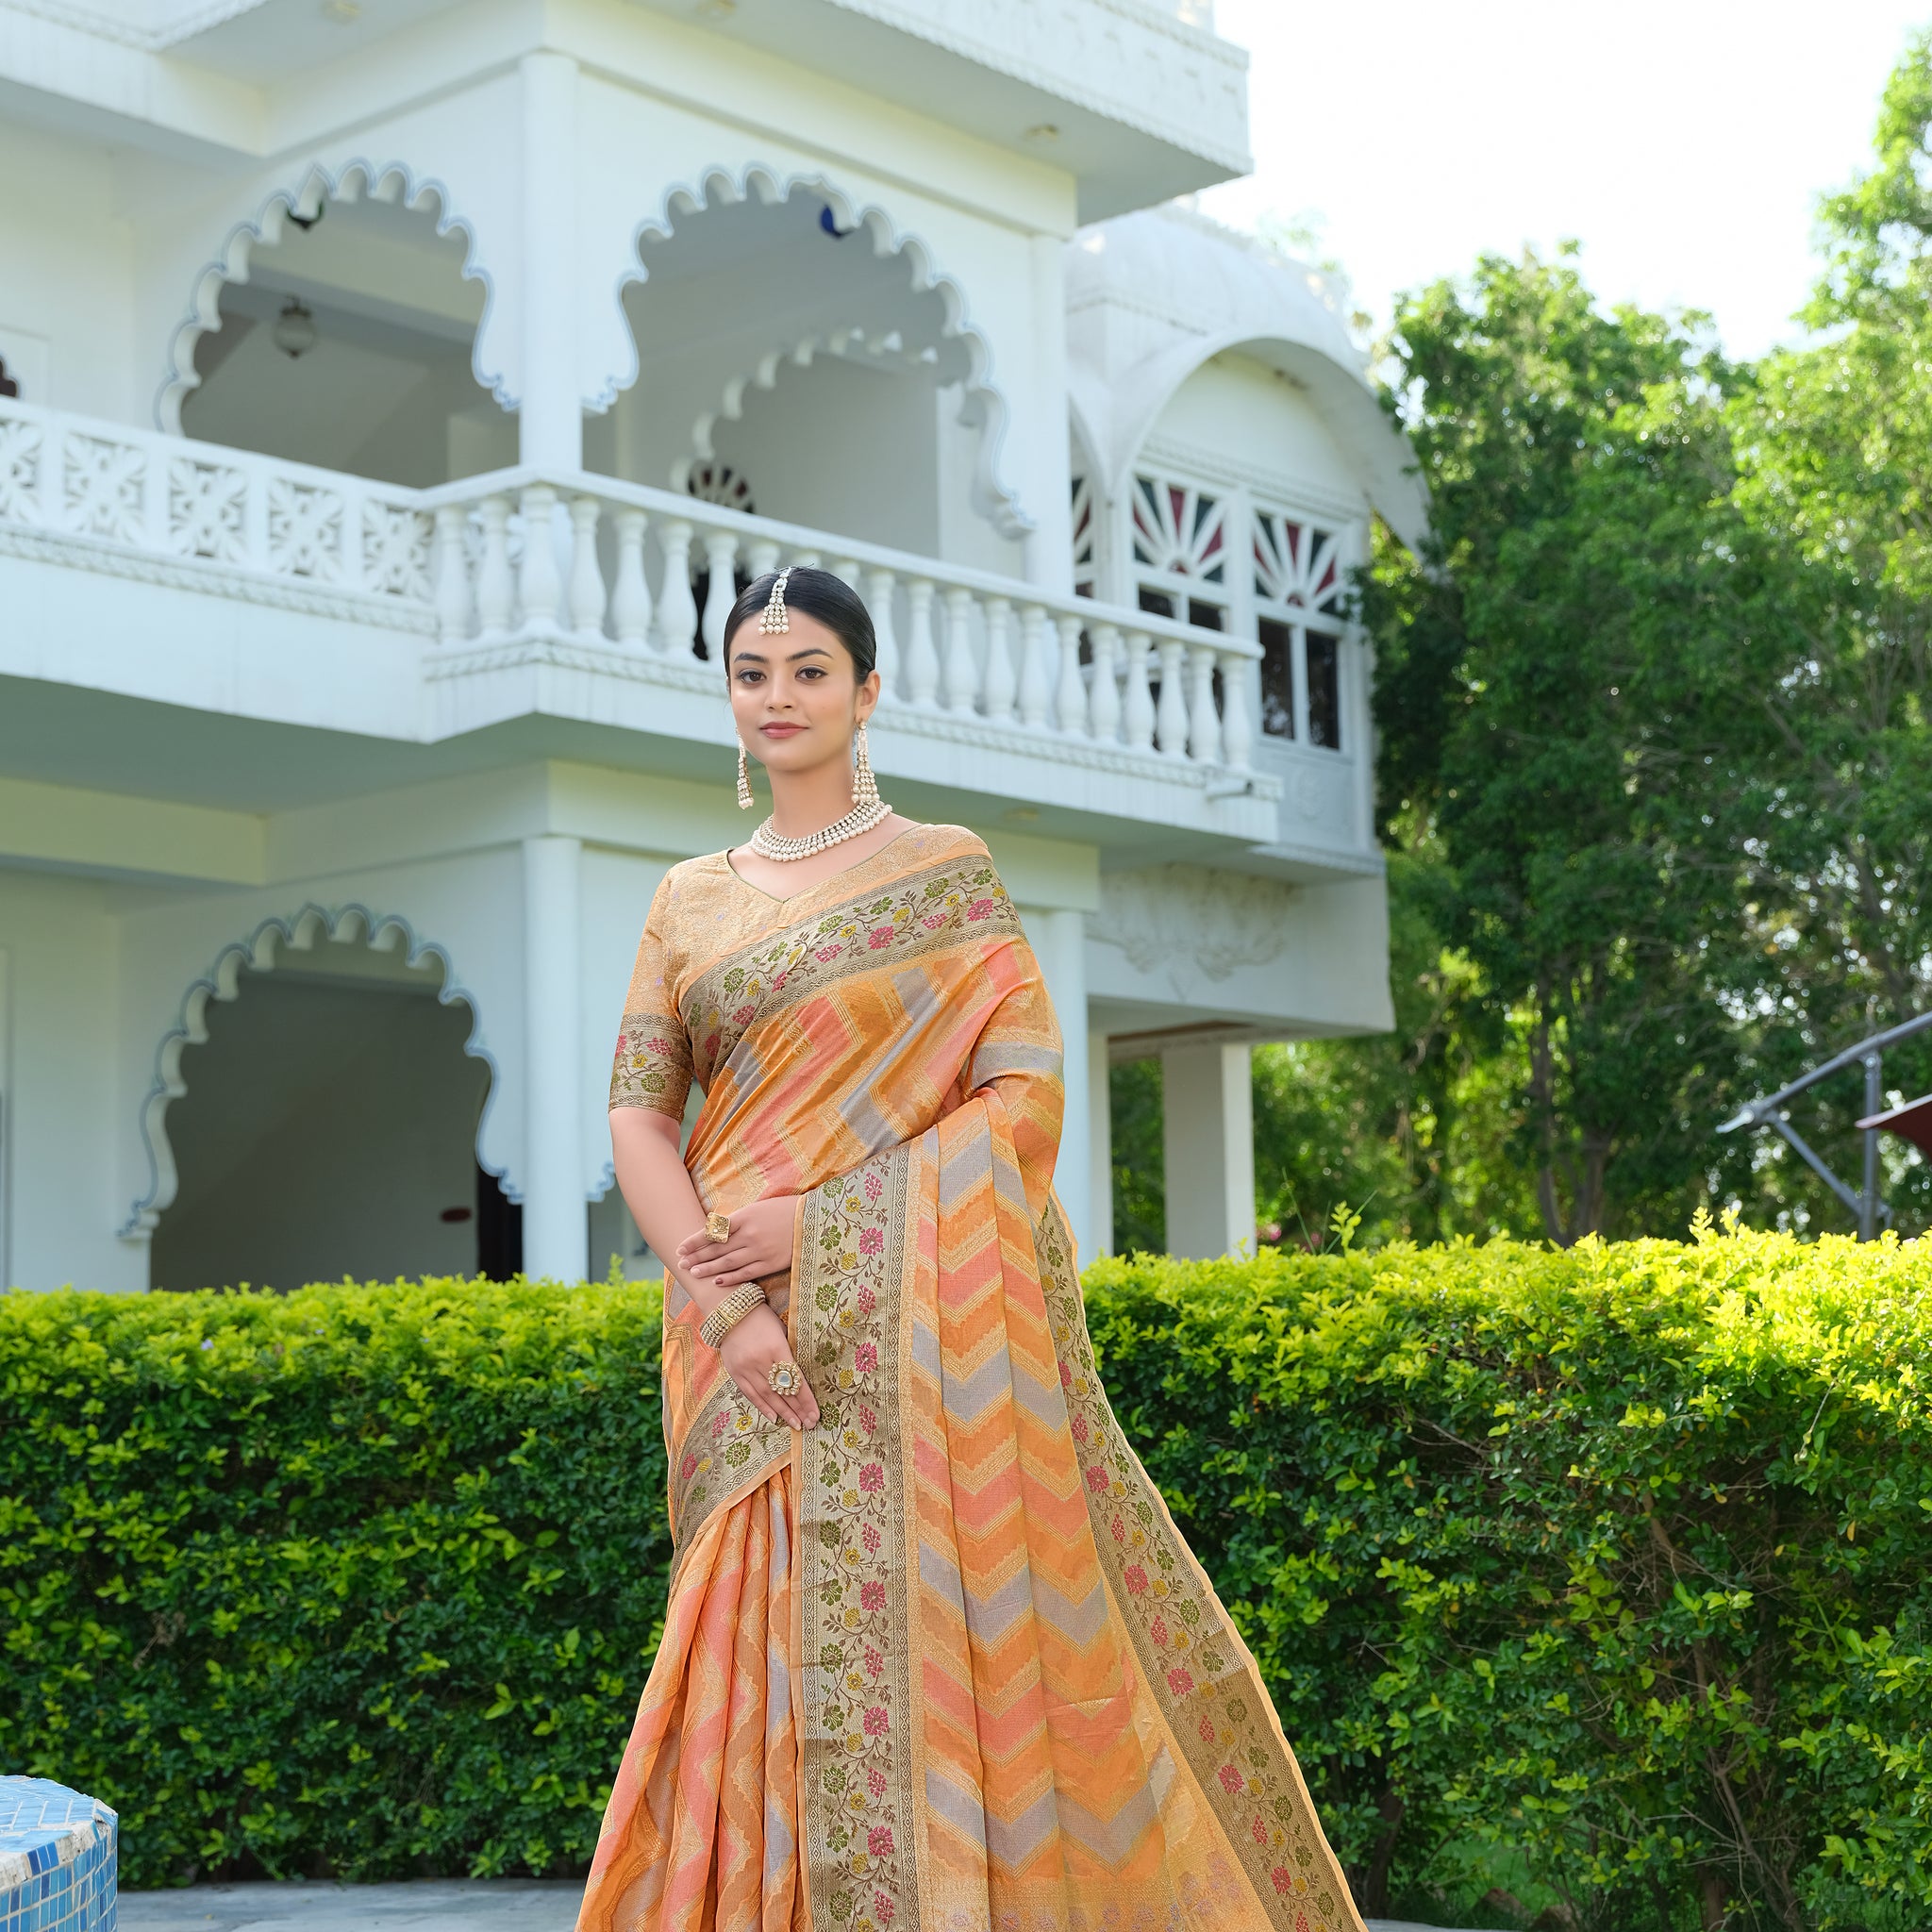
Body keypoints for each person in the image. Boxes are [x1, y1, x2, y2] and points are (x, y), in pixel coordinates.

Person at [575, 567, 1365, 1932]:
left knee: (944, 1638)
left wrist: (824, 1230)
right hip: (733, 1329)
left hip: (912, 1324)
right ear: (728, 695)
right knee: (741, 1636)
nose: (780, 696)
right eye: (753, 672)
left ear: (867, 692)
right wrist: (731, 1300)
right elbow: (639, 1113)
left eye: (810, 669)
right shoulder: (687, 899)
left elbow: (1020, 1099)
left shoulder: (945, 875)